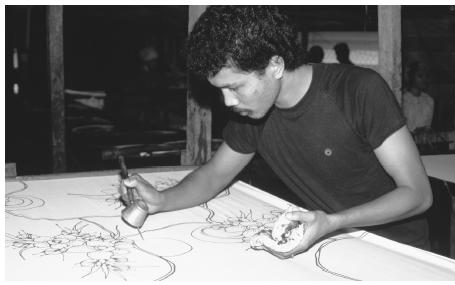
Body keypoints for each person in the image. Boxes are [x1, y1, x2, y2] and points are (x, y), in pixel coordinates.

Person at [119, 6, 432, 259]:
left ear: (275, 65)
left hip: (398, 252)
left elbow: (418, 194)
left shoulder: (358, 91)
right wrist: (162, 199)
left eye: (235, 86)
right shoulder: (253, 111)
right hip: (328, 245)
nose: (228, 102)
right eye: (221, 90)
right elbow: (214, 176)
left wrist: (334, 222)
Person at [402, 61, 434, 135]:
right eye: (420, 76)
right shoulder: (403, 99)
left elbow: (428, 127)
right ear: (411, 77)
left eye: (426, 76)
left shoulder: (429, 100)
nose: (424, 79)